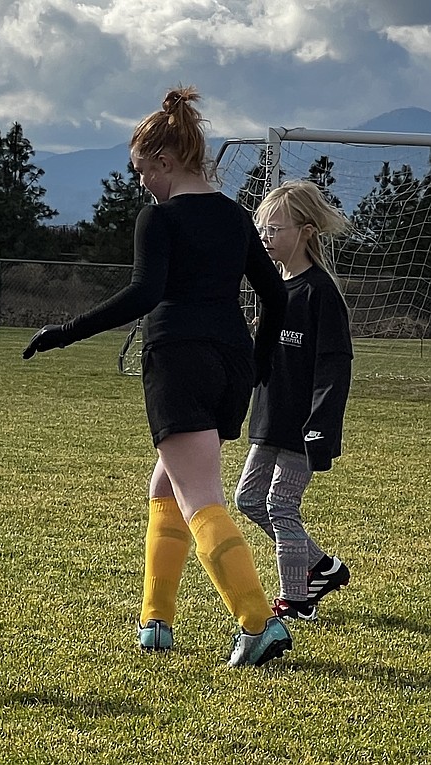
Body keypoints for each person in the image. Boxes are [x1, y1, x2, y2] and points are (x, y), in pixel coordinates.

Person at [22, 86, 291, 667]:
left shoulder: (160, 217)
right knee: (166, 486)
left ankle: (257, 623)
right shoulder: (237, 217)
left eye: (142, 169)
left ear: (165, 162)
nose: (141, 181)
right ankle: (156, 621)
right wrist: (260, 363)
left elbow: (146, 293)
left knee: (200, 498)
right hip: (230, 365)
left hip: (179, 359)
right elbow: (275, 297)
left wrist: (65, 331)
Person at [233, 180, 352, 621]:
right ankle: (321, 566)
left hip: (302, 426)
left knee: (281, 506)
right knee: (248, 501)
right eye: (261, 230)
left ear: (304, 231)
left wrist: (320, 423)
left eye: (274, 229)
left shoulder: (320, 292)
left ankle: (296, 601)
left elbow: (334, 367)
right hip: (270, 419)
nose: (265, 238)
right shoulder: (273, 290)